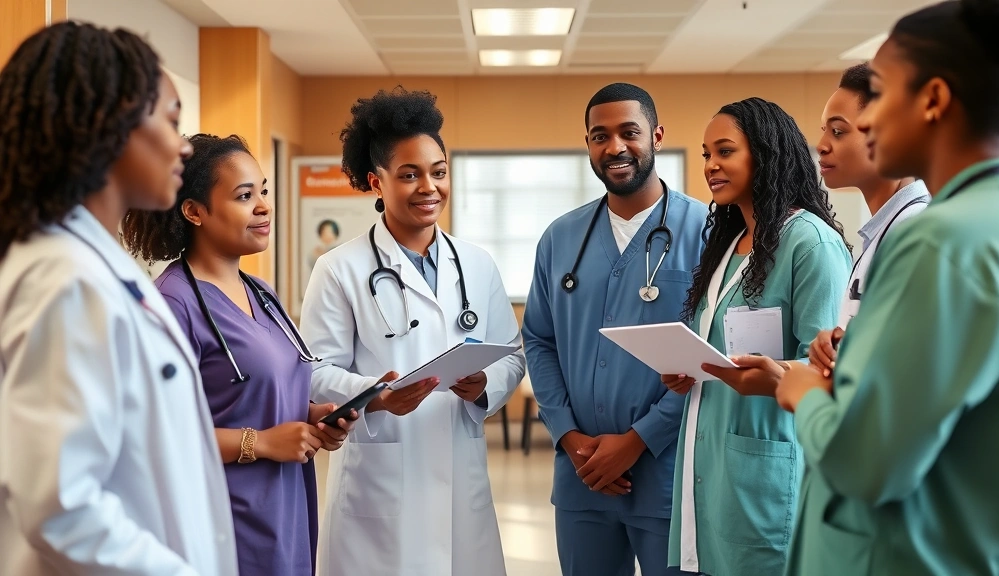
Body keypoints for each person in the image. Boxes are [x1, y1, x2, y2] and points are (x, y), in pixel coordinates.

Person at [774, 1, 999, 574]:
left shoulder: (940, 242)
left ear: (933, 99)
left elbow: (863, 462)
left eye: (881, 95)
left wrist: (805, 393)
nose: (865, 123)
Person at [0, 22, 237, 575]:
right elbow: (63, 509)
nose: (183, 145)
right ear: (109, 125)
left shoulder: (94, 267)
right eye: (171, 121)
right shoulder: (66, 279)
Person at [300, 87, 526, 576]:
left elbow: (511, 353)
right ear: (375, 182)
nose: (429, 187)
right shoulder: (339, 268)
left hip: (461, 476)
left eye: (438, 172)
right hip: (380, 483)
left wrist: (484, 384)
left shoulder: (477, 264)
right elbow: (314, 372)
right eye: (409, 175)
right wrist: (377, 396)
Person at [121, 134, 352, 575]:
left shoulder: (261, 292)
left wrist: (312, 417)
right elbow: (154, 435)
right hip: (224, 522)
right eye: (245, 196)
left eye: (263, 191)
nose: (264, 206)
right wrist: (262, 442)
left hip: (287, 513)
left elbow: (252, 393)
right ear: (194, 211)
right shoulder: (171, 304)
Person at [660, 97, 852, 576]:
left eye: (725, 151)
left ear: (765, 153)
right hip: (713, 460)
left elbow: (830, 368)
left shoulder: (810, 242)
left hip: (768, 462)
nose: (711, 165)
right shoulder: (728, 246)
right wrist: (690, 368)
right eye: (706, 154)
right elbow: (720, 345)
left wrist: (775, 374)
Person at [522, 82, 708, 576]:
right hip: (581, 475)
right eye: (599, 136)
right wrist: (569, 437)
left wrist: (638, 440)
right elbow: (539, 339)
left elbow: (712, 352)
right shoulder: (561, 237)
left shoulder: (706, 230)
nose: (615, 147)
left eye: (629, 132)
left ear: (657, 136)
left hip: (668, 471)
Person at [809, 62, 930, 376]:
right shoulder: (883, 231)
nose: (821, 145)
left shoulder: (916, 232)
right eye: (824, 130)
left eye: (838, 131)